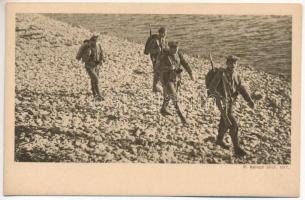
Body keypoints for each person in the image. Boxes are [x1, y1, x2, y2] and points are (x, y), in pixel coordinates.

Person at [208, 55, 254, 157]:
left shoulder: (236, 75)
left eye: (235, 63)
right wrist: (220, 97)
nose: (233, 65)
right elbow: (211, 88)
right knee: (233, 125)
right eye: (230, 63)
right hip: (223, 103)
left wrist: (249, 100)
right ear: (227, 63)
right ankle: (237, 148)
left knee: (224, 121)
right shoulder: (220, 74)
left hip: (231, 102)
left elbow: (241, 88)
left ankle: (219, 140)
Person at [158, 41, 194, 124]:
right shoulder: (165, 57)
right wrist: (169, 67)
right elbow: (159, 68)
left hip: (176, 79)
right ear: (170, 48)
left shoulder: (178, 54)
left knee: (170, 95)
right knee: (174, 97)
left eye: (176, 48)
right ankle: (182, 118)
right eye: (173, 49)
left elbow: (185, 63)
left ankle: (163, 108)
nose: (175, 50)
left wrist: (191, 73)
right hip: (167, 80)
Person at [76, 35, 105, 101]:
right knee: (96, 79)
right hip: (89, 65)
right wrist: (78, 57)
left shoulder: (98, 45)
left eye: (96, 40)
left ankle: (94, 93)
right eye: (94, 40)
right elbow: (80, 51)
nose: (95, 42)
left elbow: (101, 52)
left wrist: (102, 59)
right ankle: (99, 94)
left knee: (93, 79)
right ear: (91, 40)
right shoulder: (86, 45)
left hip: (96, 65)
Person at [144, 27, 168, 92]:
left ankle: (158, 85)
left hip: (162, 58)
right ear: (161, 33)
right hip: (155, 58)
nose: (166, 34)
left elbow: (165, 49)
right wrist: (157, 50)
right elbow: (149, 51)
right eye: (165, 33)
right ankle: (155, 87)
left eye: (166, 33)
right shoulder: (154, 40)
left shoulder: (164, 40)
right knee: (157, 71)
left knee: (161, 71)